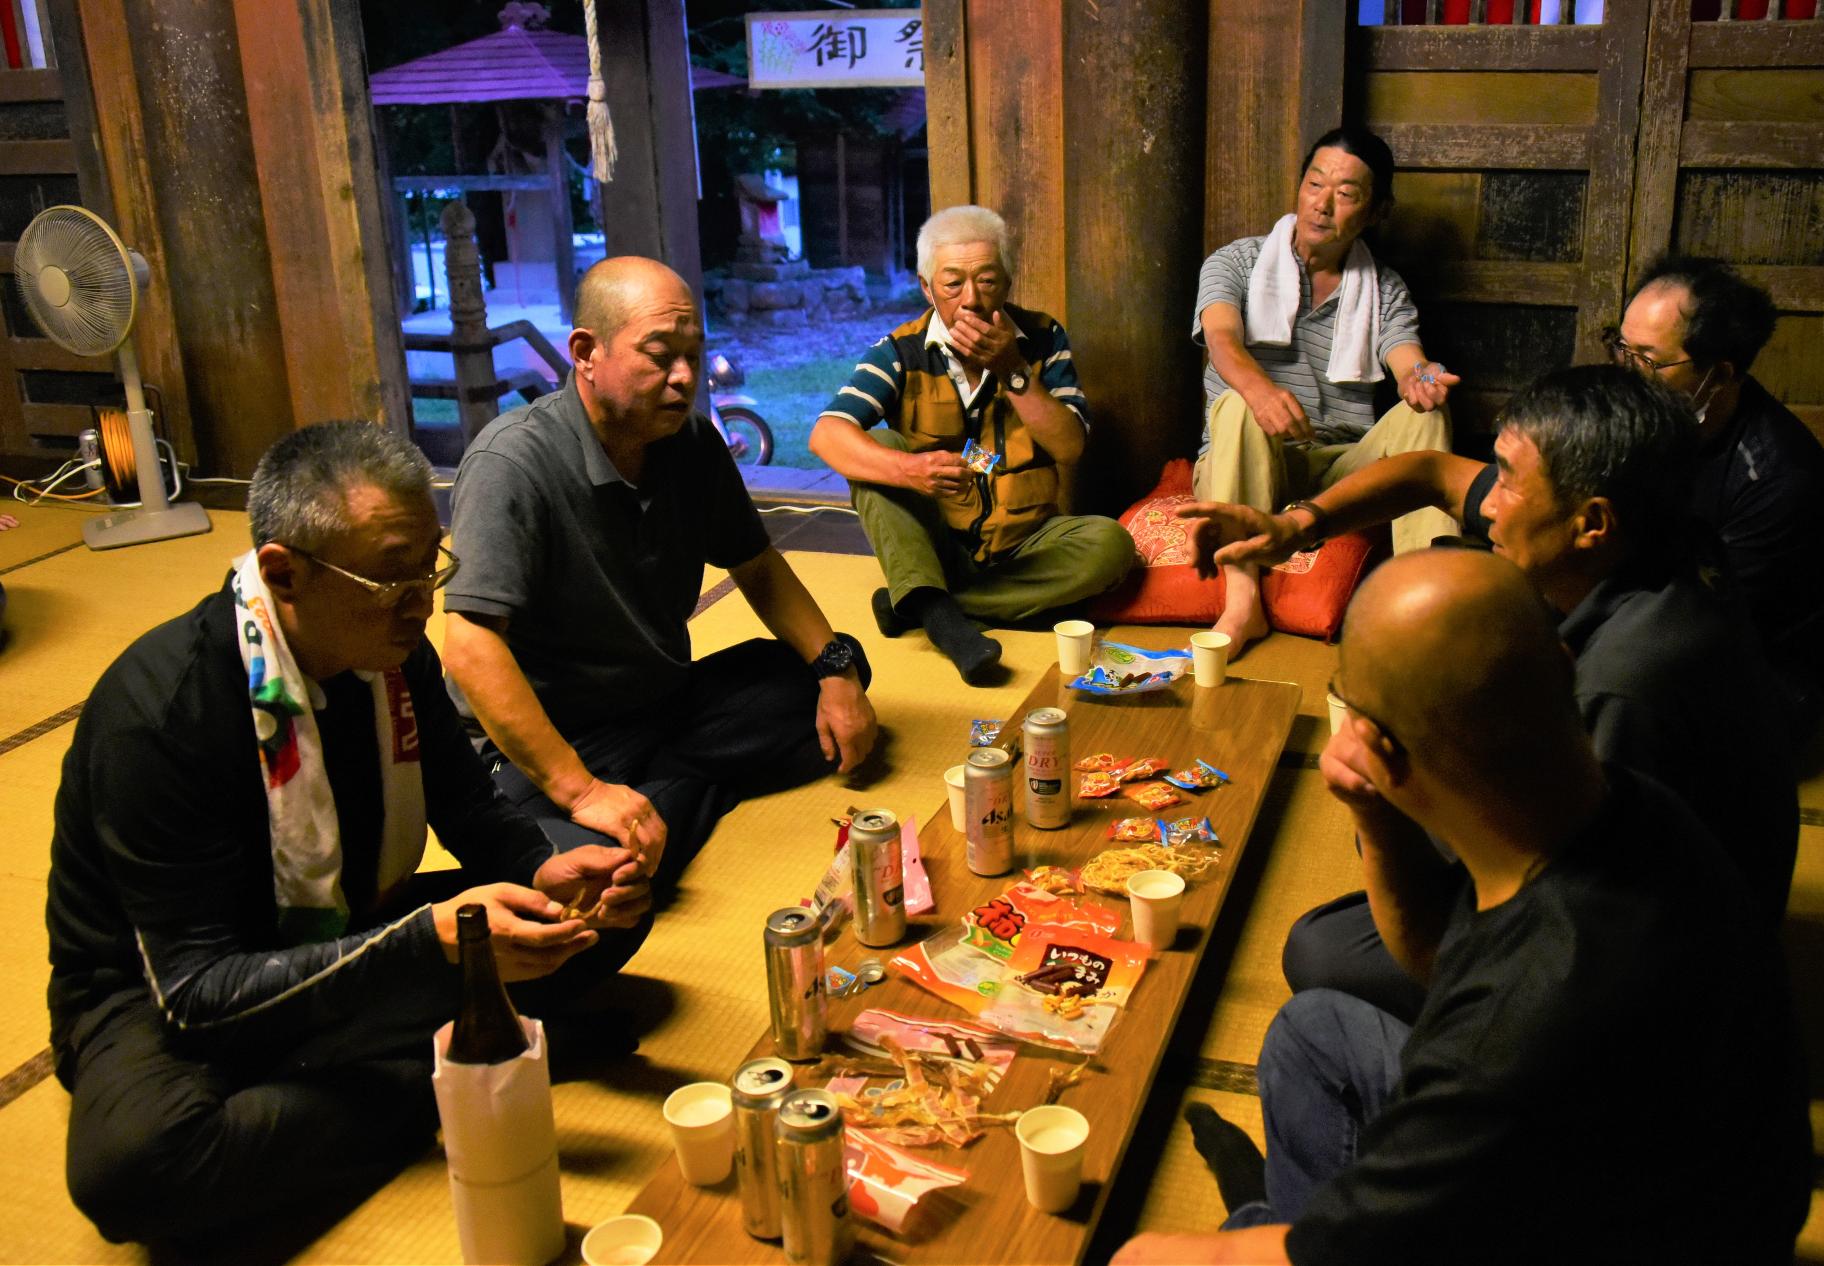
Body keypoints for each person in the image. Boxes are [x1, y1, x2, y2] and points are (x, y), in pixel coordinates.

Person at [1114, 549, 1813, 1265]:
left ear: (1385, 752)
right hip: (1646, 1176)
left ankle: (1270, 1217)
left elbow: (1497, 1041)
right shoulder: (1633, 807)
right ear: (1565, 666)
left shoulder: (1508, 1040)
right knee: (1312, 1032)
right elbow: (1441, 966)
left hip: (1626, 1233)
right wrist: (1378, 814)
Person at [48, 423, 652, 1245]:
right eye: (389, 577)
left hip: (353, 916)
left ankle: (403, 1056)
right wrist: (421, 948)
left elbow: (472, 810)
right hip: (170, 987)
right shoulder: (160, 715)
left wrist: (551, 873)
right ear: (282, 573)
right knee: (137, 1167)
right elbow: (193, 994)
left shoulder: (393, 653)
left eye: (429, 566)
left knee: (602, 913)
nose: (423, 601)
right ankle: (432, 1073)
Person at [1183, 365, 1797, 1020]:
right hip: (1634, 859)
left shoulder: (1629, 685)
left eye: (1507, 481)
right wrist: (1293, 528)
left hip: (1658, 964)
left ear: (1591, 522)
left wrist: (1386, 813)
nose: (1490, 504)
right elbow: (1428, 473)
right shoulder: (1656, 534)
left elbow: (1573, 938)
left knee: (1322, 951)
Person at [444, 257, 877, 867]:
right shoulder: (512, 463)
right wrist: (582, 790)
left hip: (663, 703)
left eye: (693, 356)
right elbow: (468, 646)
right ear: (585, 352)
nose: (684, 377)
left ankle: (663, 800)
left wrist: (833, 669)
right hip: (547, 740)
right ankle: (674, 797)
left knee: (838, 669)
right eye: (659, 354)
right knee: (589, 872)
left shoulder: (693, 444)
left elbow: (757, 567)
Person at [808, 205, 1134, 684]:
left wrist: (1013, 370)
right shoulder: (901, 351)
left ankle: (925, 605)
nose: (972, 300)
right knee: (877, 447)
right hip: (938, 544)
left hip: (1027, 542)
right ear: (926, 287)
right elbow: (826, 434)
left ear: (1007, 281)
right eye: (952, 283)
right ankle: (940, 602)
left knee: (1112, 547)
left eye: (987, 280)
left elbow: (1069, 447)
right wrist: (907, 470)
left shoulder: (1043, 338)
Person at [1192, 126, 1459, 658]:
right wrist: (1262, 392)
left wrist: (1420, 378)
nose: (1323, 205)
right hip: (1244, 456)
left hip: (1337, 466)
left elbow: (1408, 356)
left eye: (1346, 195)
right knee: (1238, 403)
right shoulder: (1236, 262)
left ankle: (1427, 605)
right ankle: (1243, 602)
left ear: (1376, 210)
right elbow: (1220, 339)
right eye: (1315, 185)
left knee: (1427, 419)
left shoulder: (1383, 287)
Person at [1613, 253, 1824, 746]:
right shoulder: (1652, 418)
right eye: (1622, 350)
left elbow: (1702, 627)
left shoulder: (1777, 477)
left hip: (1758, 674)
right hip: (1658, 619)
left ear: (1718, 374)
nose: (1628, 373)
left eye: (1648, 361)